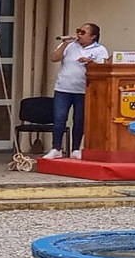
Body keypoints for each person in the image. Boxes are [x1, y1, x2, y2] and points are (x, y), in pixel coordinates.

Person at [45, 23, 109, 159]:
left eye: (83, 32)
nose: (79, 34)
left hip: (84, 90)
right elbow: (54, 58)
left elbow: (104, 69)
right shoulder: (70, 45)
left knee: (79, 120)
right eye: (78, 31)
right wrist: (64, 44)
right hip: (63, 88)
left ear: (93, 36)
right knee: (59, 118)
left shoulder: (100, 50)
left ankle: (76, 148)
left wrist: (90, 62)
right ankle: (56, 148)